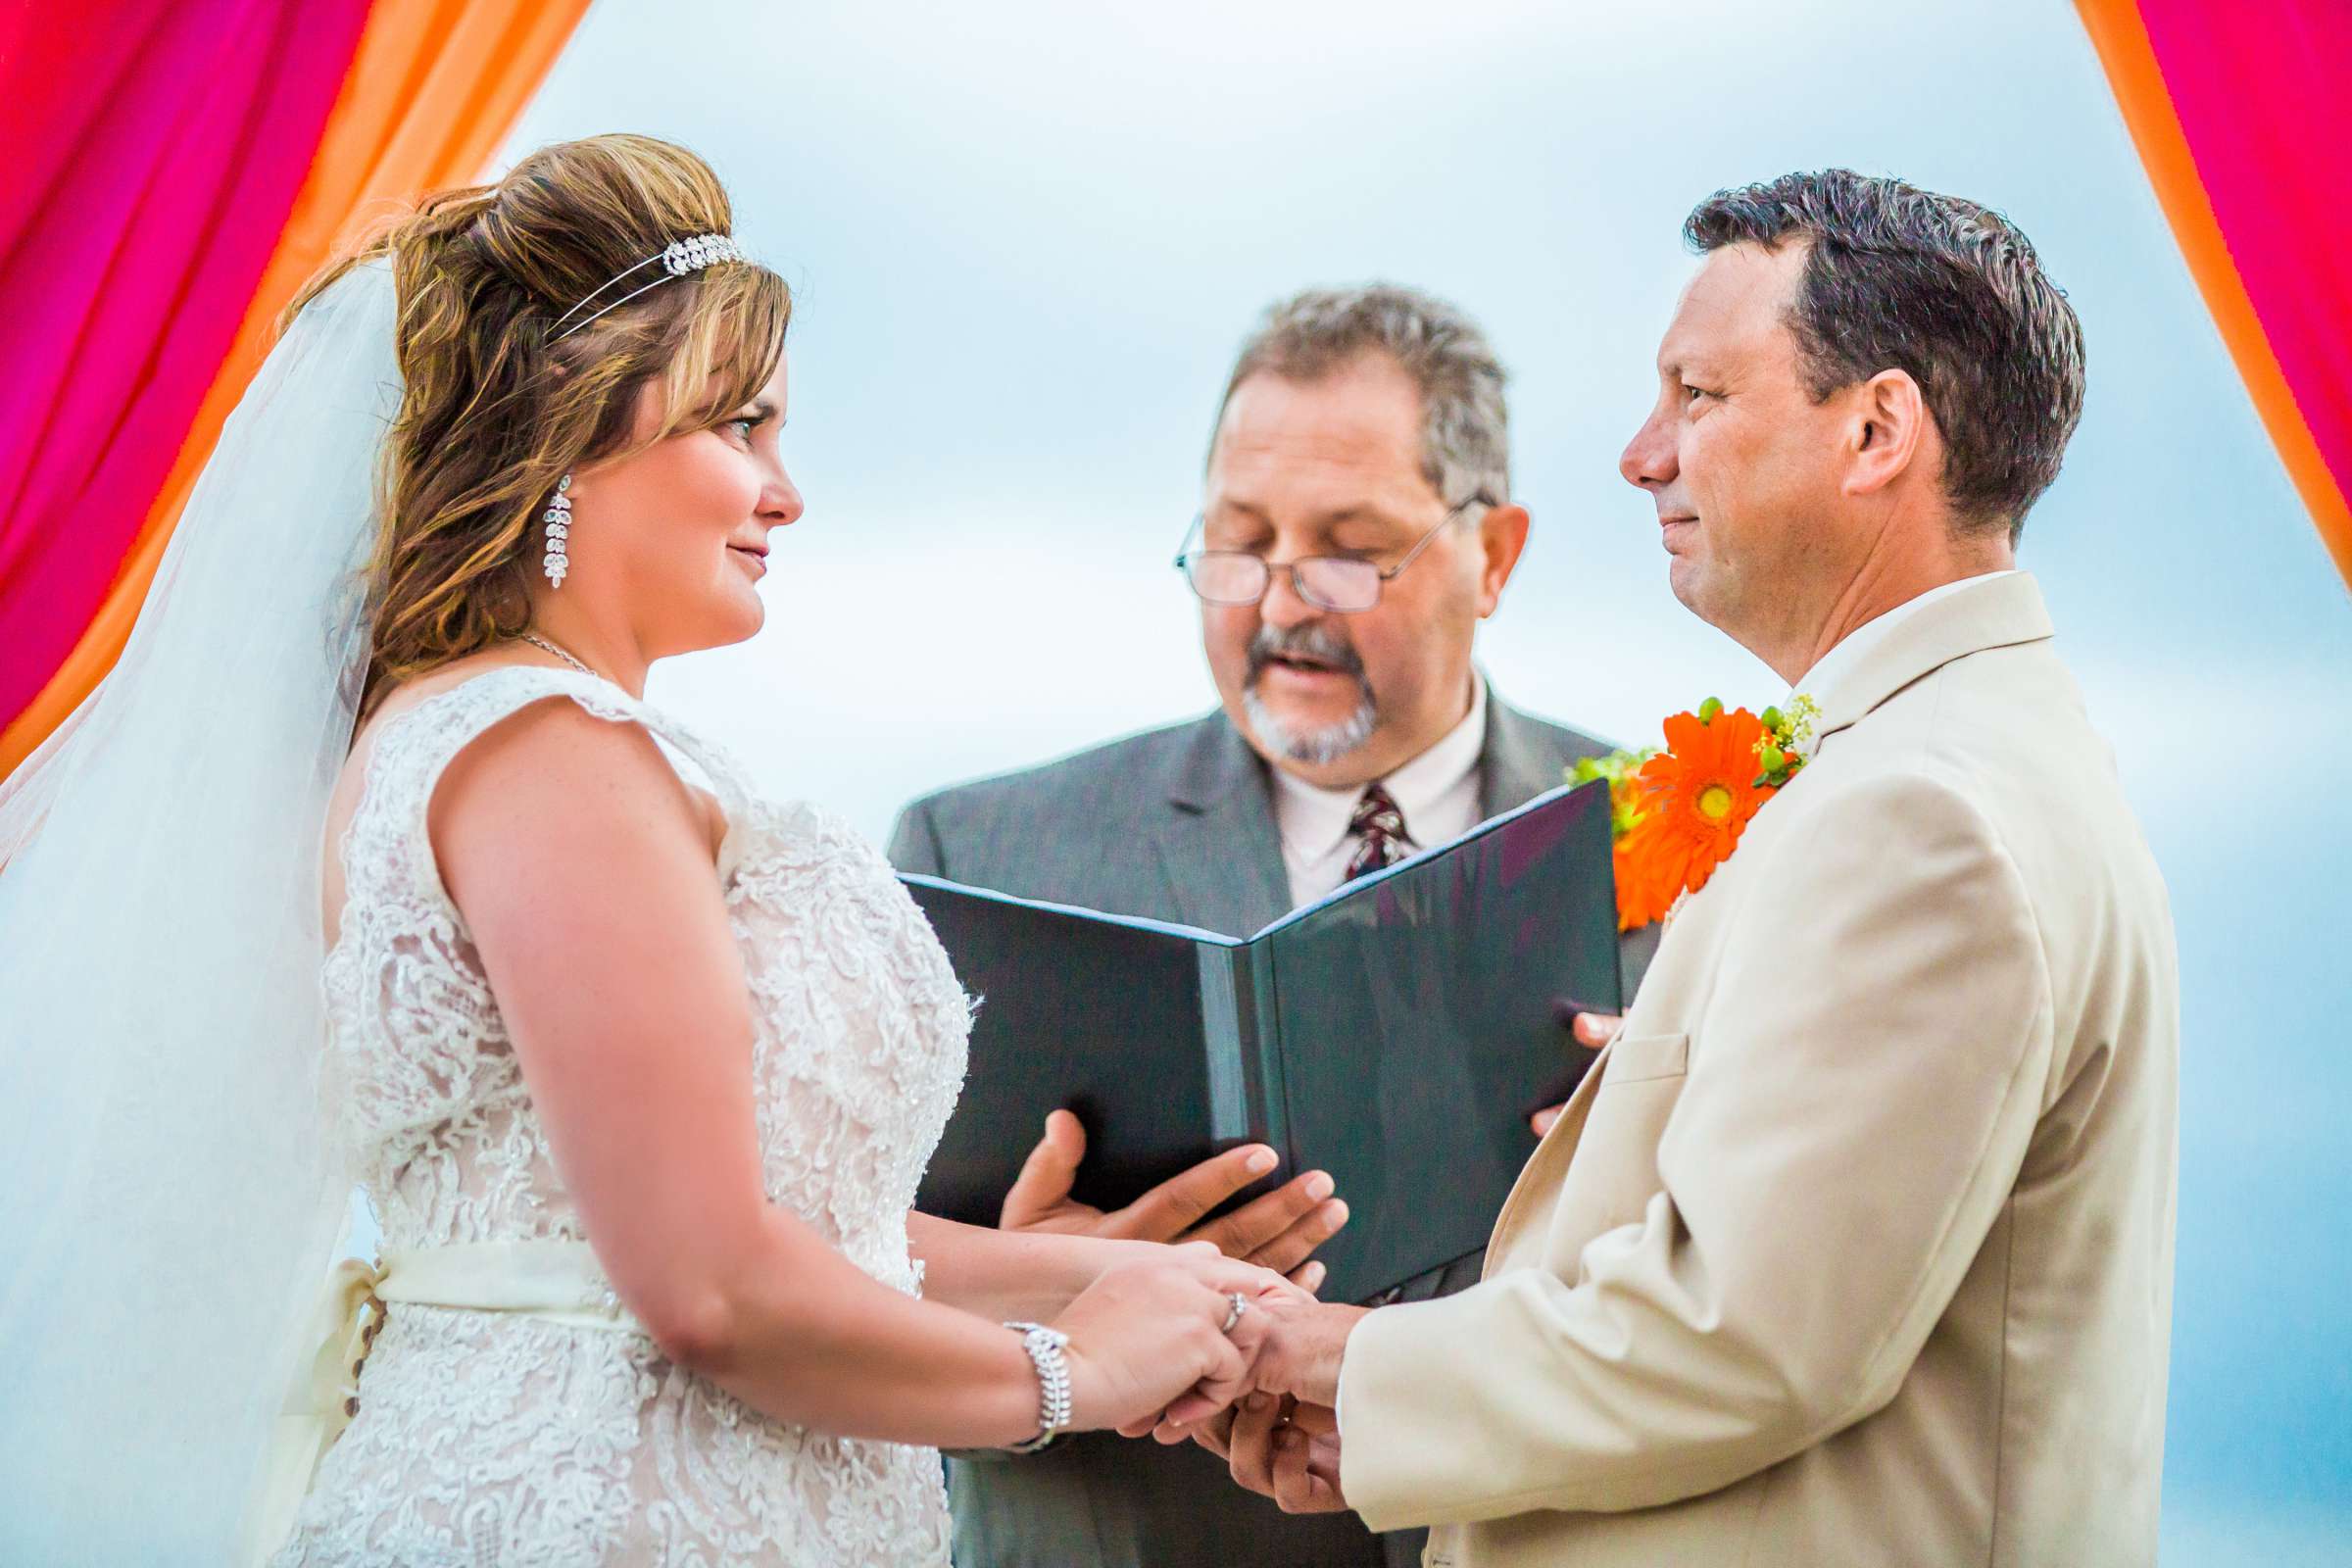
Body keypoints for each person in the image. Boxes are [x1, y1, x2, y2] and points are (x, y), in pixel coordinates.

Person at [0, 134, 1292, 1567]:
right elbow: (710, 1287)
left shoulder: (508, 742)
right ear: (568, 440)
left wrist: (1138, 1283)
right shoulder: (546, 756)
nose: (785, 493)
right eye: (739, 428)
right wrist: (1071, 1379)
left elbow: (807, 1232)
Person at [1177, 171, 2180, 1567]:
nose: (1645, 455)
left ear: (1878, 430)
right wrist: (1390, 1444)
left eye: (1699, 396)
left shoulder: (1921, 817)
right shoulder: (1948, 762)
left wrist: (1340, 1361)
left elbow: (1743, 1336)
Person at [890, 285, 1649, 1568]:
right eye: (1239, 544)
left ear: (1495, 556)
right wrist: (1048, 1294)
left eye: (1348, 550)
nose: (1284, 603)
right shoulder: (977, 854)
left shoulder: (1705, 844)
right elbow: (830, 1304)